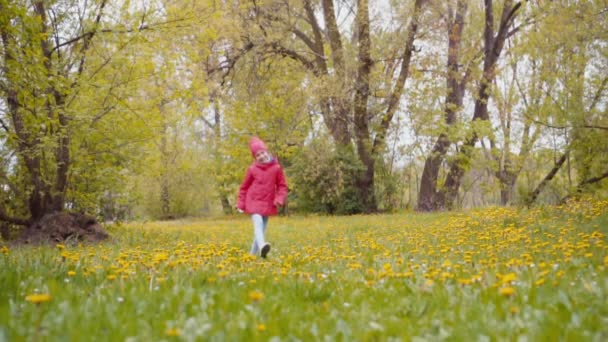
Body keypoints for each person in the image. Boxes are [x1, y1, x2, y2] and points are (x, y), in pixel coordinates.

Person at [237, 137, 288, 258]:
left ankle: (251, 256)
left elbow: (282, 186)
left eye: (262, 153)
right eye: (257, 155)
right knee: (258, 222)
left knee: (260, 230)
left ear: (267, 152)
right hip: (253, 201)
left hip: (268, 202)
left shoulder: (276, 168)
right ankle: (262, 247)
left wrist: (279, 199)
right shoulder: (252, 169)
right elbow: (244, 187)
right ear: (255, 158)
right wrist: (240, 203)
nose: (261, 156)